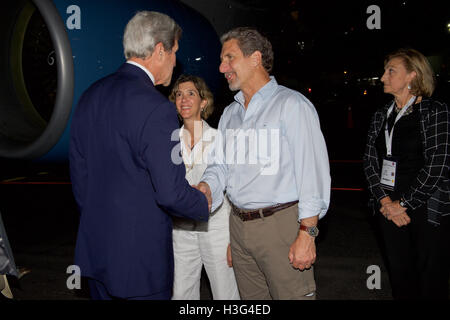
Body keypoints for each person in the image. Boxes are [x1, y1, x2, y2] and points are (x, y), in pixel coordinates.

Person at [69, 11, 210, 300]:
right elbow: (170, 192)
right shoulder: (156, 109)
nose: (175, 60)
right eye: (174, 52)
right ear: (160, 50)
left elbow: (80, 181)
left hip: (97, 251)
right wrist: (202, 202)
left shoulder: (89, 96)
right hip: (139, 263)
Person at [196, 27, 331, 300]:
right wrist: (207, 186)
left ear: (255, 58)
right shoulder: (230, 114)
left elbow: (312, 174)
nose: (222, 67)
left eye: (229, 58)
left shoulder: (292, 105)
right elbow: (220, 166)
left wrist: (308, 233)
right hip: (239, 226)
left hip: (281, 227)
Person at [363, 48, 450, 299]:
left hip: (425, 209)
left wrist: (404, 204)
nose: (382, 77)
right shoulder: (381, 115)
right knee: (400, 276)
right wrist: (385, 202)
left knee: (431, 279)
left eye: (391, 71)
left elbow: (438, 165)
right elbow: (369, 161)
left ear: (412, 75)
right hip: (387, 208)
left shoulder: (435, 111)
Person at [168, 74, 240, 300]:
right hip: (181, 229)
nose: (184, 99)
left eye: (191, 94)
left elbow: (231, 192)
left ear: (204, 102)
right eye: (179, 94)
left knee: (224, 292)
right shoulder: (169, 140)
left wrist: (232, 242)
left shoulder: (219, 138)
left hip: (216, 228)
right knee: (181, 293)